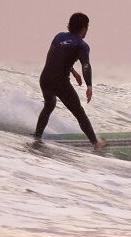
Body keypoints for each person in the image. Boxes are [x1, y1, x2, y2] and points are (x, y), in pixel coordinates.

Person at [35, 12, 106, 150]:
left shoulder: (58, 37)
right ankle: (96, 144)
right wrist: (89, 85)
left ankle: (37, 137)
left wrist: (72, 72)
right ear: (84, 28)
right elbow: (85, 65)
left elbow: (56, 58)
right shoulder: (81, 45)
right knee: (79, 113)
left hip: (45, 78)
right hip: (60, 82)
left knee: (49, 106)